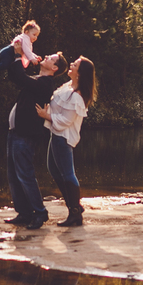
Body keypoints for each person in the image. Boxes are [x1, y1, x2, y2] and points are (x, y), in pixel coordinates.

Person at [0, 52, 69, 230]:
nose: (45, 56)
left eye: (50, 58)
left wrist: (21, 54)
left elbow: (20, 77)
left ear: (54, 68)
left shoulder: (45, 84)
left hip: (25, 135)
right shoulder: (37, 79)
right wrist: (12, 56)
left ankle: (40, 212)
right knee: (13, 175)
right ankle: (24, 212)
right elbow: (15, 77)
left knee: (25, 175)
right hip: (16, 132)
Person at [36, 56, 96, 227]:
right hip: (56, 135)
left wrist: (46, 115)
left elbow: (65, 121)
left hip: (63, 138)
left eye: (75, 64)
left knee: (67, 173)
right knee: (54, 170)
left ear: (80, 73)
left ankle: (75, 213)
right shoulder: (67, 87)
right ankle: (75, 206)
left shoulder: (77, 97)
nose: (71, 65)